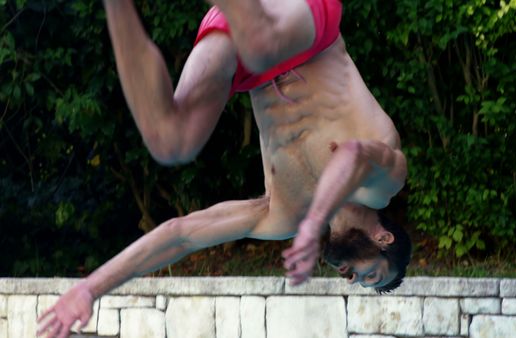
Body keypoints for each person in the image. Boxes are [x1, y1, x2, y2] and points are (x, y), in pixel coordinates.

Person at [37, 0, 411, 336]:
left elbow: (182, 235)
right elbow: (352, 156)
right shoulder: (382, 185)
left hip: (246, 52)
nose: (351, 279)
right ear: (383, 239)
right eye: (370, 276)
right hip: (304, 29)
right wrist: (315, 221)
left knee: (170, 142)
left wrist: (91, 287)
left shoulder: (283, 216)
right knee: (263, 46)